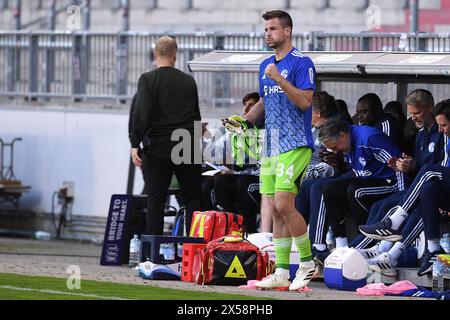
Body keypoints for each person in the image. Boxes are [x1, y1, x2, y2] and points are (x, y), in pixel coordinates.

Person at [243, 10, 317, 291]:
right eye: (266, 29)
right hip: (271, 145)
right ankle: (282, 272)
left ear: (287, 32)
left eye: (273, 29)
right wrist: (244, 121)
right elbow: (264, 101)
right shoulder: (265, 65)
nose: (268, 34)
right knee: (275, 209)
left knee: (285, 204)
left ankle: (308, 264)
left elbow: (304, 101)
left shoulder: (301, 63)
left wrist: (280, 79)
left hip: (295, 143)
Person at [350, 89, 444, 265]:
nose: (413, 118)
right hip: (418, 188)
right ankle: (373, 249)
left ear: (430, 108)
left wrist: (414, 166)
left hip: (433, 191)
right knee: (381, 205)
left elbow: (438, 169)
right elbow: (419, 168)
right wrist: (405, 165)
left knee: (404, 206)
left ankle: (375, 252)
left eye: (417, 113)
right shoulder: (421, 134)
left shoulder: (441, 134)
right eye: (411, 114)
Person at [129, 36, 203, 235]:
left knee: (156, 199)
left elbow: (141, 113)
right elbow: (196, 115)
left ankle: (153, 255)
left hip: (159, 145)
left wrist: (135, 142)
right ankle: (194, 251)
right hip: (186, 142)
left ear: (155, 54)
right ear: (175, 55)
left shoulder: (147, 79)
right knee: (192, 198)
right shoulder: (189, 81)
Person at [318, 118, 408, 254]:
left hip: (390, 182)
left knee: (356, 191)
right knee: (330, 189)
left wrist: (404, 196)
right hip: (366, 180)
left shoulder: (369, 138)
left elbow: (399, 166)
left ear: (343, 135)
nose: (335, 152)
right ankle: (341, 246)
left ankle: (366, 241)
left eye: (335, 147)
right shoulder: (347, 143)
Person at [202, 92, 263, 233]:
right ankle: (227, 228)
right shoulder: (236, 128)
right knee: (212, 184)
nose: (246, 110)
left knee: (243, 183)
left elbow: (262, 160)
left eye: (251, 106)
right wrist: (203, 137)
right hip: (240, 175)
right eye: (245, 106)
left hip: (259, 177)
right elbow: (214, 152)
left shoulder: (266, 128)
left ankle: (250, 230)